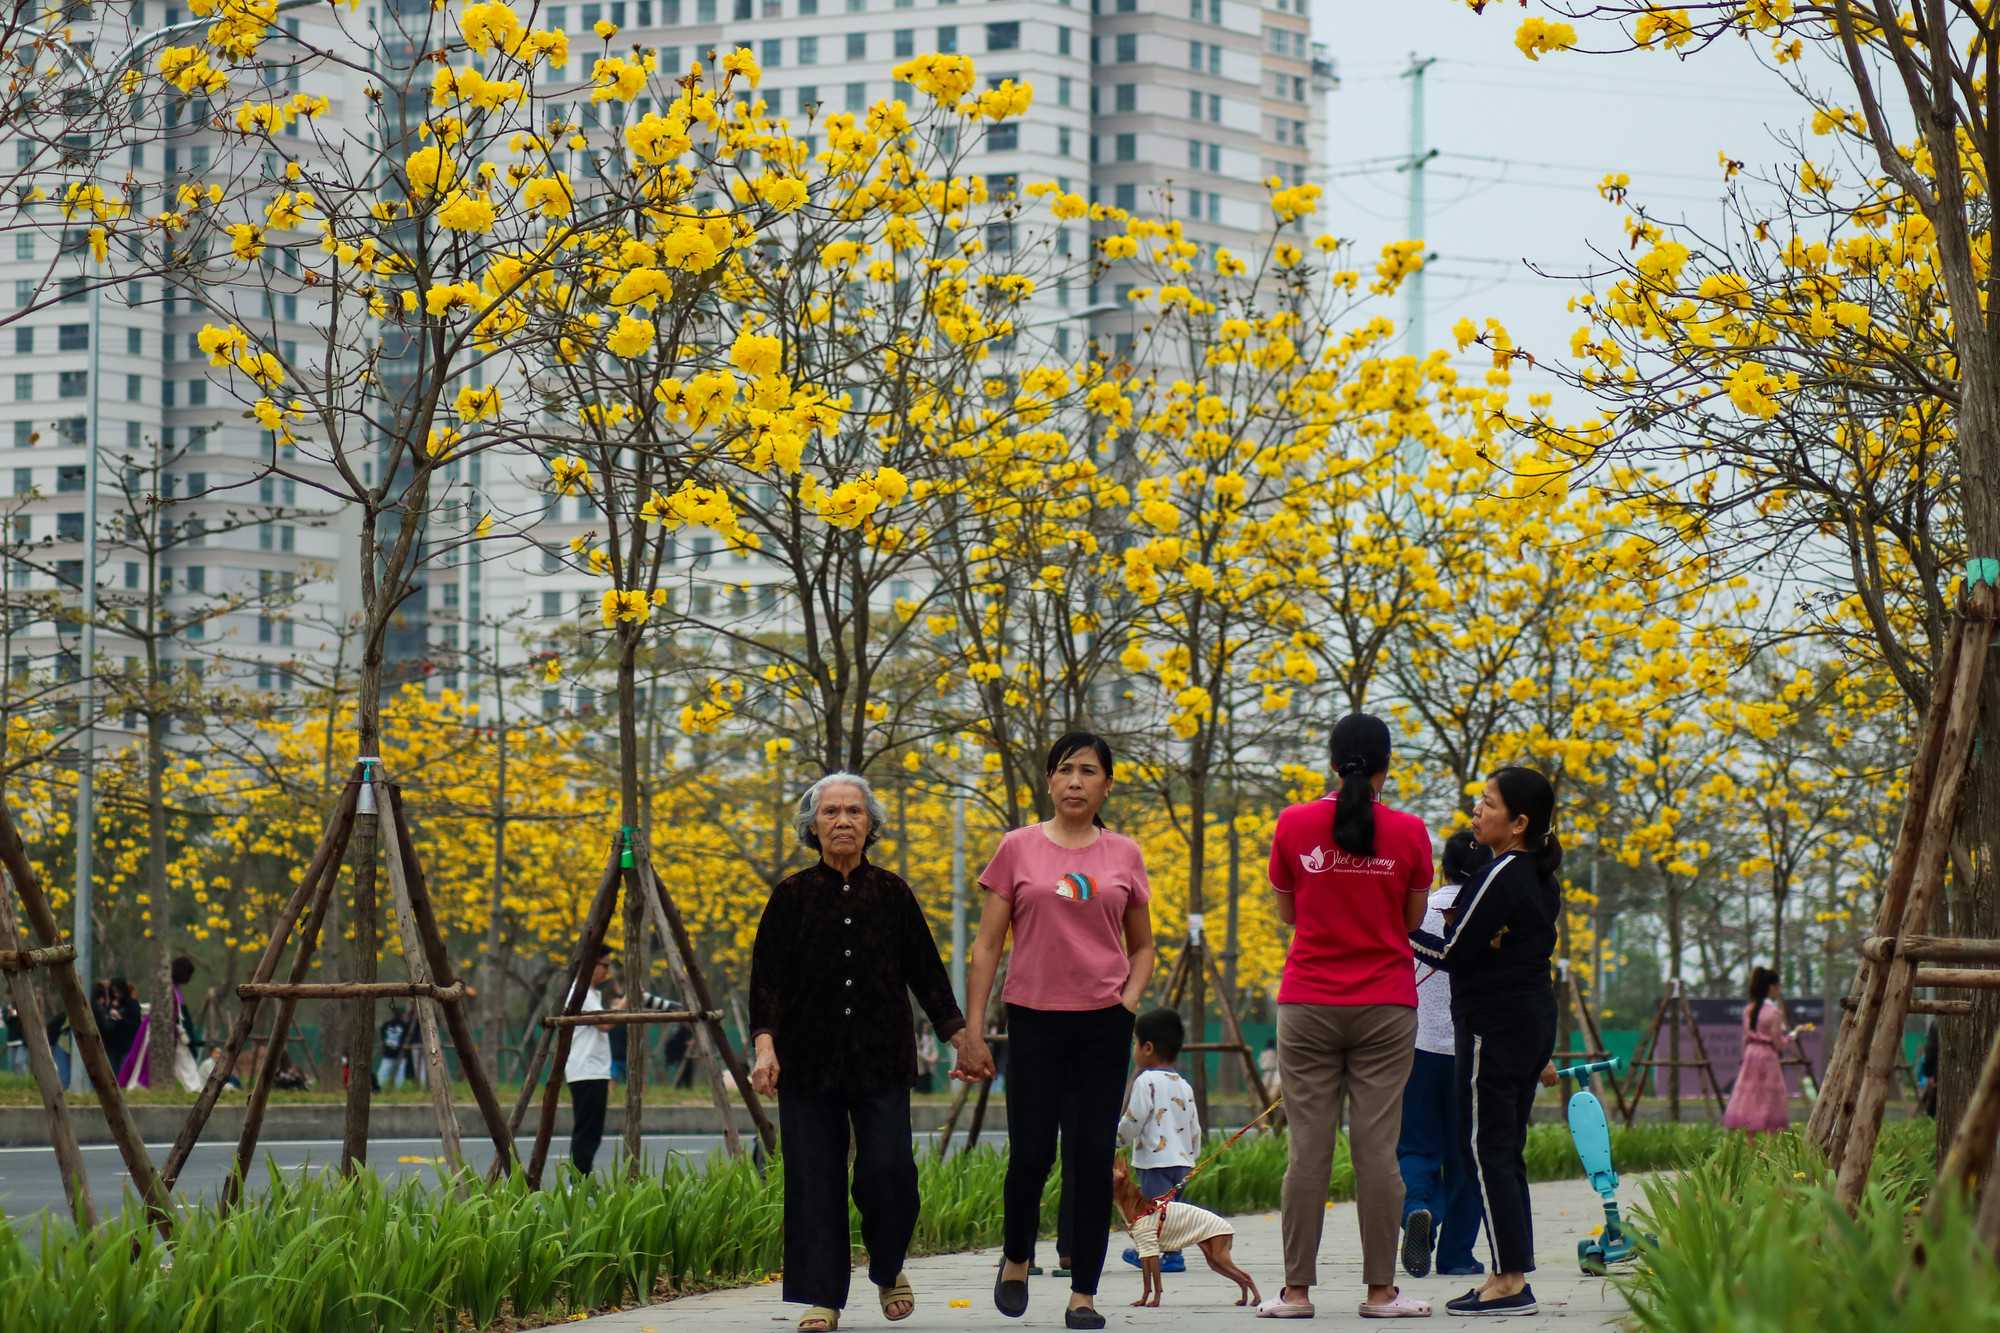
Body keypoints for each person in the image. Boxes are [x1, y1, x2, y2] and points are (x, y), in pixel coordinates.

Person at [749, 771, 970, 1333]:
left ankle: (889, 1265)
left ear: (871, 825)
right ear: (812, 826)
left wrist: (960, 1037)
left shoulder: (892, 892)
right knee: (813, 1177)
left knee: (888, 1170)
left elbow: (926, 972)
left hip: (881, 1059)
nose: (843, 821)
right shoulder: (791, 896)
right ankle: (823, 1298)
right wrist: (765, 1047)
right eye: (831, 813)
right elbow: (766, 981)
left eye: (854, 812)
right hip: (807, 1061)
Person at [958, 731, 1156, 1332]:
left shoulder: (1124, 853)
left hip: (1103, 1026)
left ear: (1106, 784)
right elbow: (988, 943)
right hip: (1035, 1020)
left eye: (1088, 771)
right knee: (1033, 1154)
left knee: (1093, 1157)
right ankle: (1016, 1257)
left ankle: (1084, 1295)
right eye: (1065, 769)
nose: (1075, 781)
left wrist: (1127, 1003)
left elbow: (1144, 945)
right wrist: (973, 1029)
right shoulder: (1016, 848)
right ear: (1048, 781)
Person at [1259, 713, 1433, 1321]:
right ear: (1388, 765)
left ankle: (1296, 1293)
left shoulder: (1293, 823)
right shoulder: (1410, 832)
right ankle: (1381, 1292)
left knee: (1307, 1150)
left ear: (1333, 763)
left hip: (1307, 1002)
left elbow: (1288, 913)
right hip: (1386, 1004)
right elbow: (1411, 923)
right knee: (1377, 1150)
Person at [1410, 766, 1562, 1318]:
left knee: (1486, 1150)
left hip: (1495, 1027)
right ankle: (1506, 1271)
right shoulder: (1536, 874)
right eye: (1479, 800)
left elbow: (1452, 954)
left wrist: (1399, 927)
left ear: (1519, 823)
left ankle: (1509, 1282)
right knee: (1503, 1150)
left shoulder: (1506, 872)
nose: (1477, 809)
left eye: (1489, 803)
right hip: (1527, 1021)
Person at [1396, 830, 1490, 1282]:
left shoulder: (1417, 914)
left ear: (1442, 868)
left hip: (1415, 1049)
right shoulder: (1488, 914)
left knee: (1416, 1146)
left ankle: (1417, 1207)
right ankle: (1456, 1255)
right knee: (1466, 1154)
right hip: (1469, 1053)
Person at [1118, 1006, 1199, 1275]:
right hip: (1182, 1163)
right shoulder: (1183, 1084)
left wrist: (1117, 1139)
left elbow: (1135, 1117)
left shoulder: (1146, 1081)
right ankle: (1171, 1252)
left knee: (1155, 1212)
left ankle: (1163, 1254)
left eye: (1135, 1043)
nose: (1134, 1049)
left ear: (1148, 1048)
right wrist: (1192, 1156)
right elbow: (1193, 1124)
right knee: (1169, 1211)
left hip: (1155, 1161)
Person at [1724, 966, 1803, 1134]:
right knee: (1770, 1100)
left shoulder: (1749, 1010)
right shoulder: (1774, 1013)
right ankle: (1770, 1144)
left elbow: (1745, 1038)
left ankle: (1749, 1143)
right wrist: (1793, 1035)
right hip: (1767, 1057)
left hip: (1751, 1056)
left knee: (1749, 1098)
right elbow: (1778, 1044)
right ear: (1772, 987)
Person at [565, 945, 618, 1175]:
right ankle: (578, 1181)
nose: (607, 971)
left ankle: (582, 1179)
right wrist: (623, 1005)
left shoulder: (589, 993)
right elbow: (604, 1024)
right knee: (588, 1129)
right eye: (605, 965)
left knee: (591, 1129)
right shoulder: (581, 992)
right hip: (587, 1069)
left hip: (592, 1069)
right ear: (591, 965)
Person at [121, 957, 202, 1091]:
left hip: (173, 1029)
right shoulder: (168, 986)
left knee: (184, 1057)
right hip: (157, 1028)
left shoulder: (174, 987)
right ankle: (139, 1087)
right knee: (145, 1059)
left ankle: (194, 1088)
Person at [99, 977, 141, 1080]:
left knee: (127, 1073)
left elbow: (135, 1025)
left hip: (127, 1045)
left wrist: (120, 1019)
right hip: (112, 1046)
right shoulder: (111, 1005)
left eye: (119, 992)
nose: (117, 995)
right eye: (114, 993)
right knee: (113, 1074)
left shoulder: (132, 1004)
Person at [377, 1005, 411, 1093]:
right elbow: (407, 1038)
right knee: (399, 1074)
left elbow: (382, 1034)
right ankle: (398, 1090)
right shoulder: (405, 1026)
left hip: (388, 1052)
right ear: (402, 1015)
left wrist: (386, 1043)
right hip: (400, 1053)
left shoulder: (387, 1024)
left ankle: (379, 1088)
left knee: (383, 1072)